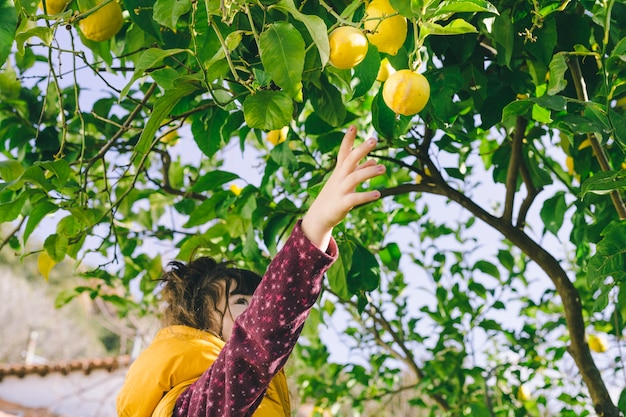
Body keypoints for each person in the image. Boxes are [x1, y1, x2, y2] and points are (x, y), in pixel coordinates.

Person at [116, 126, 385, 417]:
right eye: (241, 302)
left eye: (254, 302)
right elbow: (252, 347)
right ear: (199, 316)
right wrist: (315, 228)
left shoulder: (244, 395)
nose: (255, 310)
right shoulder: (190, 407)